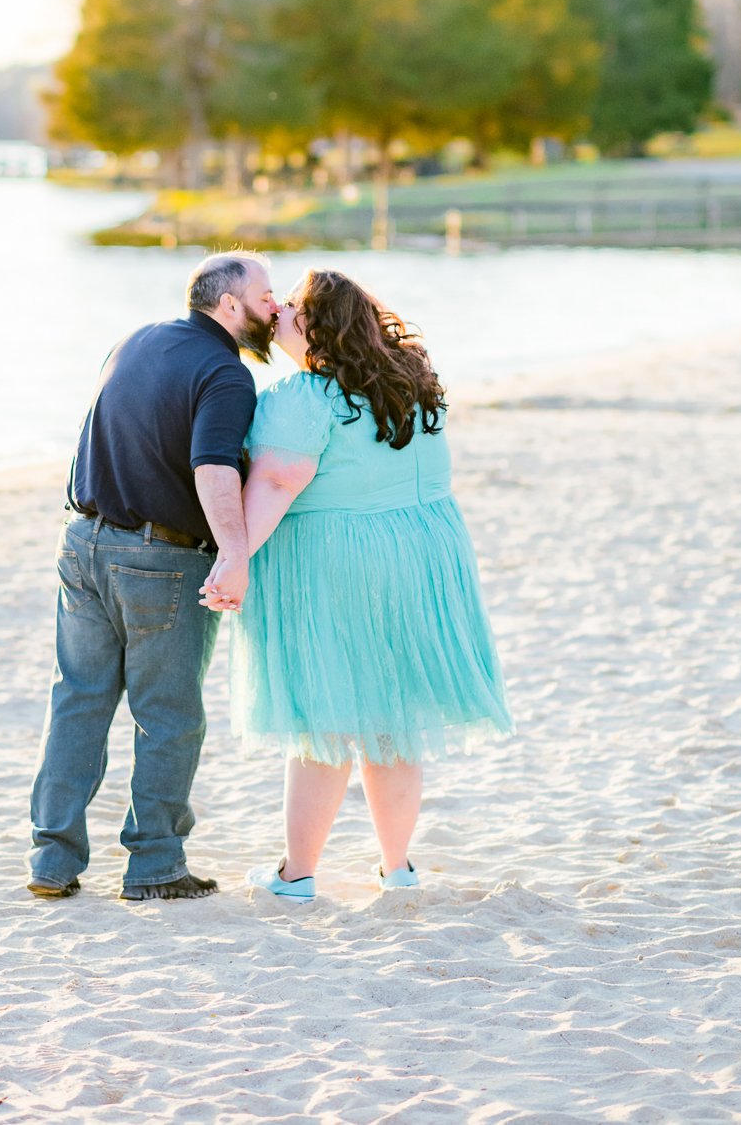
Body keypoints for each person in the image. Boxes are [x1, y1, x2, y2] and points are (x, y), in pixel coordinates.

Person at [201, 268, 512, 900]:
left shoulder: (303, 397)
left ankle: (297, 874)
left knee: (321, 716)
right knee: (393, 718)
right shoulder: (414, 383)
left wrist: (235, 556)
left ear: (315, 326)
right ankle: (397, 867)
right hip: (423, 556)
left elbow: (278, 481)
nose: (277, 315)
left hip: (336, 561)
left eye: (288, 307)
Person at [27, 251, 277, 902]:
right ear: (229, 305)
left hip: (81, 542)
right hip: (160, 561)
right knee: (168, 716)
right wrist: (234, 551)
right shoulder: (226, 374)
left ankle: (51, 861)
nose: (273, 307)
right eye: (265, 295)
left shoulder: (133, 340)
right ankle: (155, 864)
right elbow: (213, 468)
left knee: (78, 699)